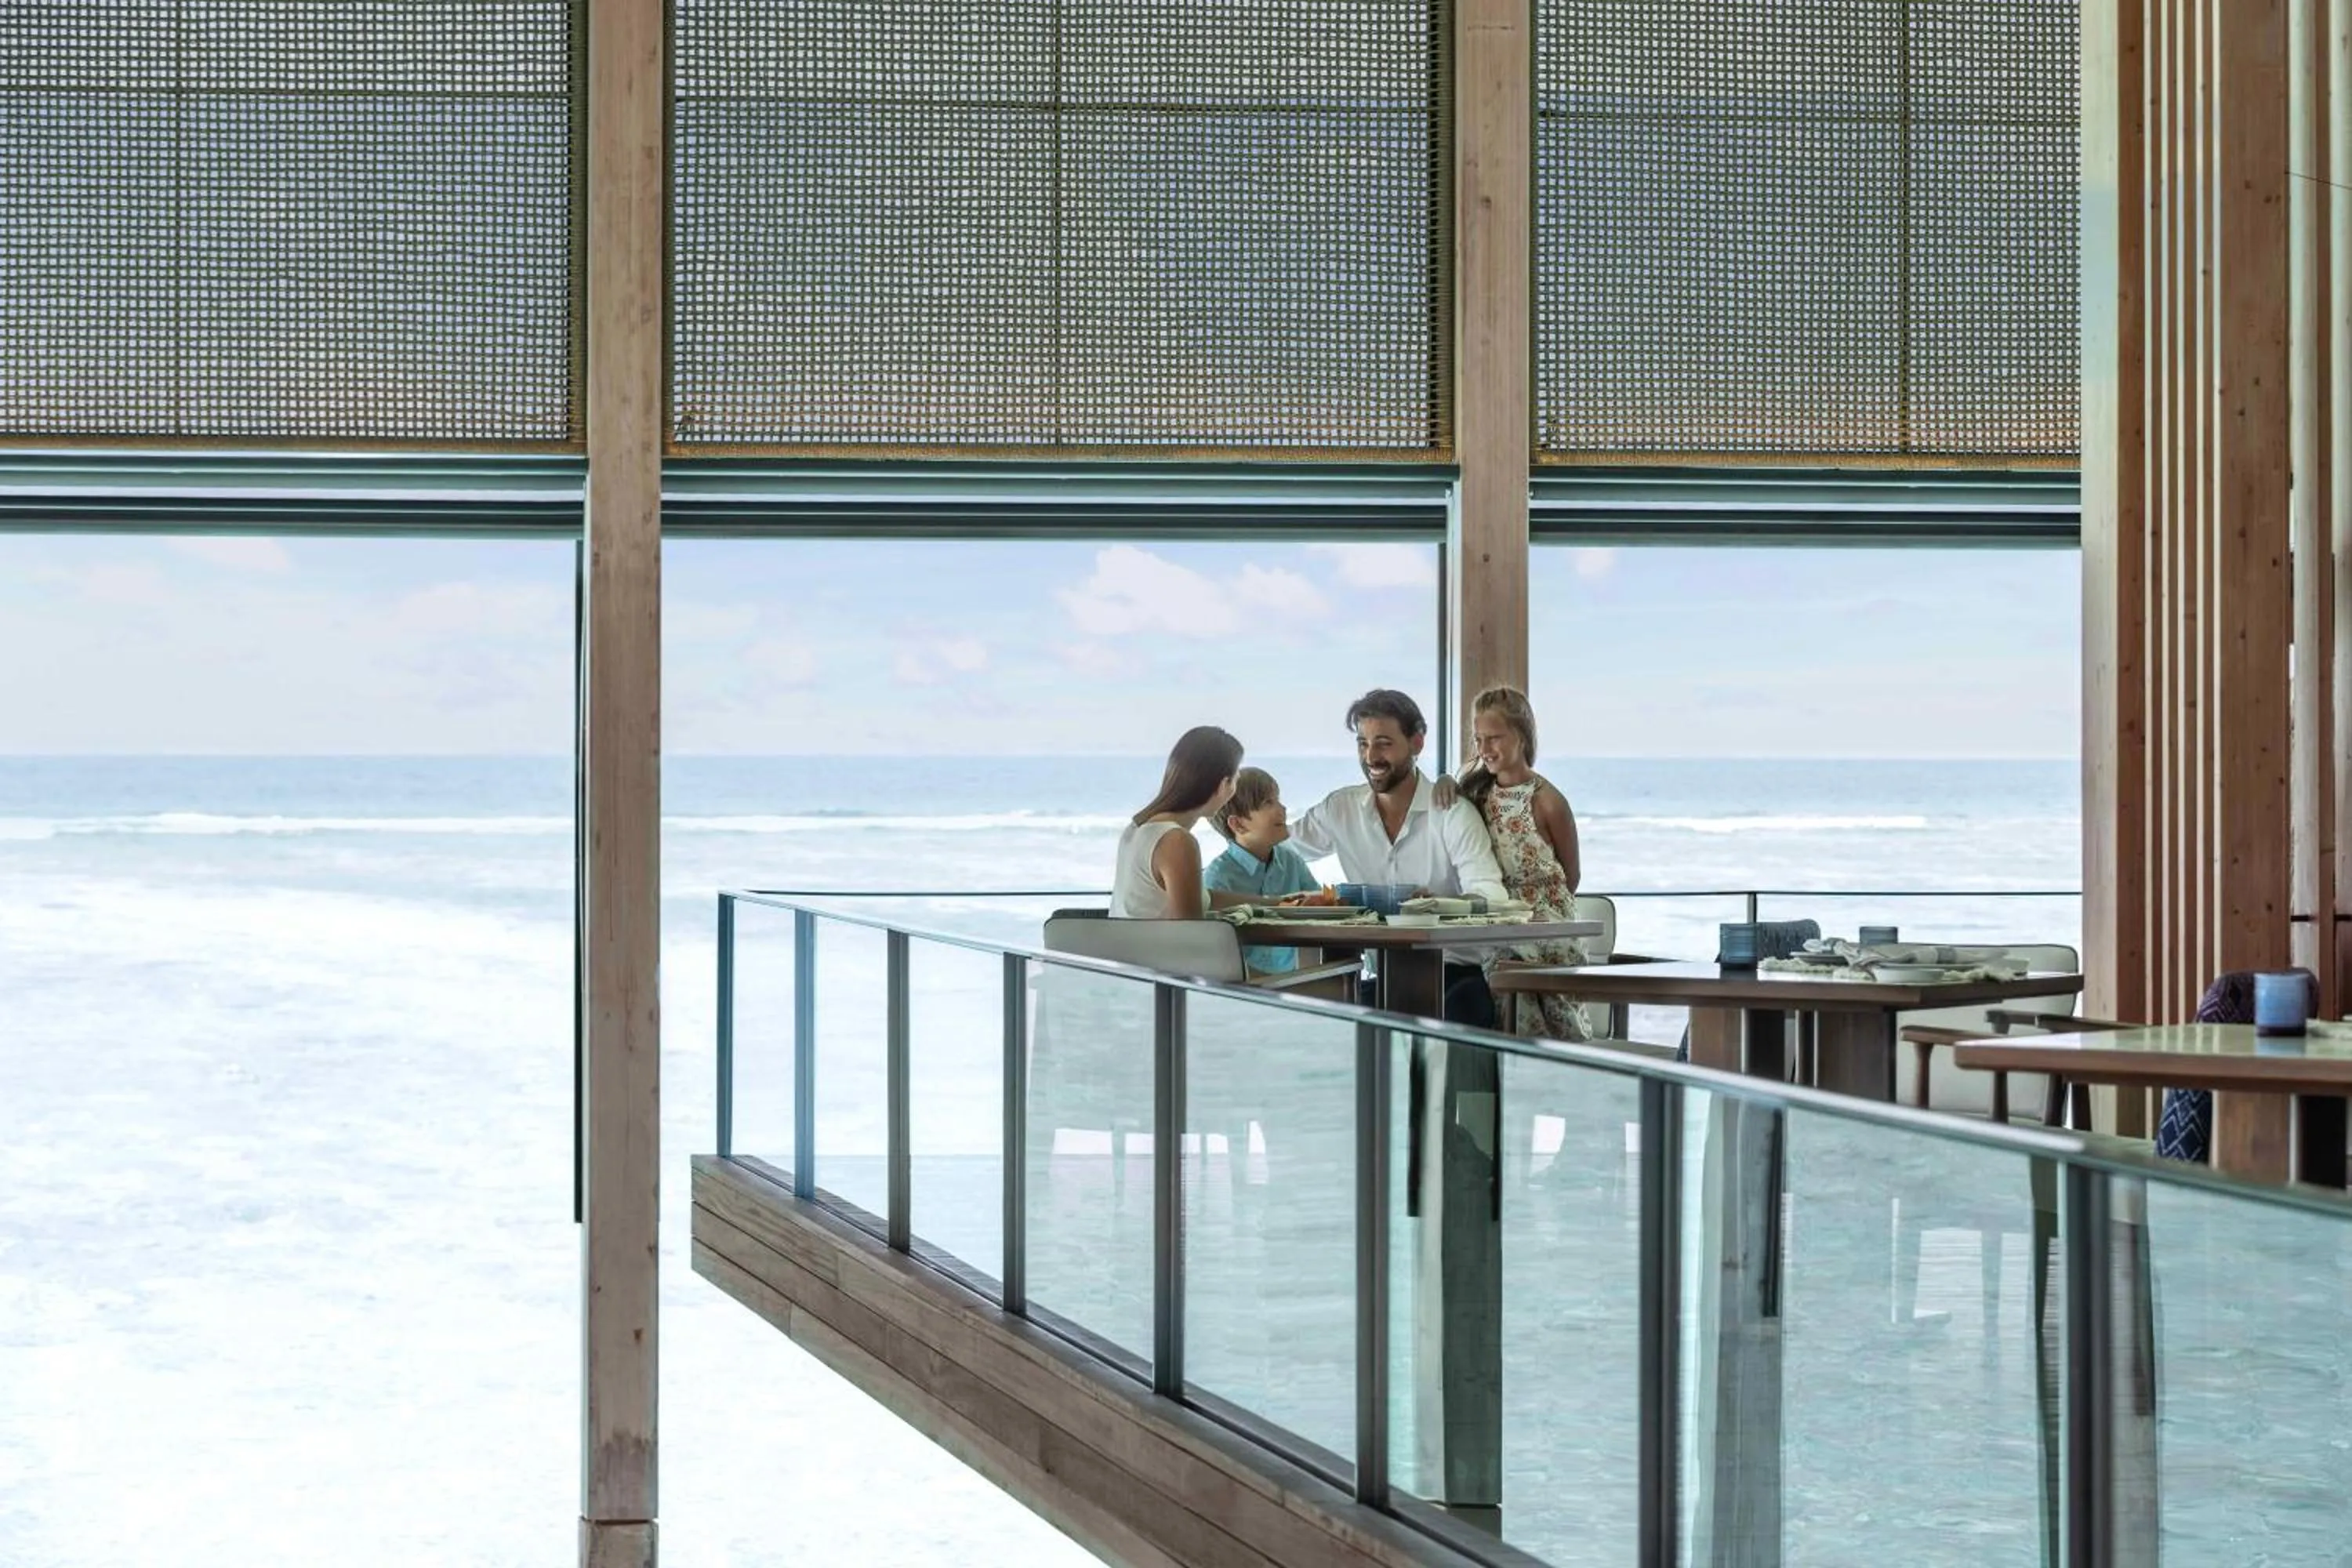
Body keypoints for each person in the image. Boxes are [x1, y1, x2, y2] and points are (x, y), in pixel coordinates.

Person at [1289, 689, 1508, 1025]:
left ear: (1417, 743)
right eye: (1363, 743)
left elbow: (1491, 896)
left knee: (1461, 1027)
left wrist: (1439, 906)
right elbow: (1278, 846)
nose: (1371, 756)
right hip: (1381, 977)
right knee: (1320, 1022)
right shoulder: (1341, 809)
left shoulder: (1452, 814)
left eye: (1384, 743)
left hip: (1453, 974)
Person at [1458, 685, 1590, 1040]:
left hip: (1550, 921)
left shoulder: (1548, 801)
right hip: (1501, 917)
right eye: (1479, 739)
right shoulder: (1476, 795)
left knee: (1520, 970)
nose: (1485, 749)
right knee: (1501, 970)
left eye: (1495, 738)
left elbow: (1571, 876)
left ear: (1522, 736)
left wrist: (1538, 913)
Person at [1109, 726, 1243, 919]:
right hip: (1159, 949)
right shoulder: (1176, 841)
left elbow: (1200, 898)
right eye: (1235, 781)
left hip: (1123, 948)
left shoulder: (1137, 828)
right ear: (1224, 785)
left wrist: (1274, 902)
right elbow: (1188, 933)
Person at [1202, 767, 1321, 973]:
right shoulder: (1218, 877)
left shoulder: (1291, 861)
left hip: (1296, 980)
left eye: (1278, 800)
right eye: (1268, 803)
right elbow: (1214, 952)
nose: (1282, 809)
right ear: (1238, 824)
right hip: (1244, 990)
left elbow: (1323, 906)